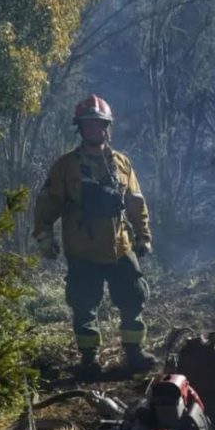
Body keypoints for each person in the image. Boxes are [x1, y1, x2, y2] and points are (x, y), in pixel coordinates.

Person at [33, 94, 156, 378]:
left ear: (107, 128)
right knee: (84, 303)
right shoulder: (66, 166)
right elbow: (48, 202)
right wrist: (44, 236)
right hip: (83, 250)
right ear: (80, 129)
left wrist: (143, 235)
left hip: (119, 246)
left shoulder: (122, 163)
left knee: (133, 297)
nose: (94, 130)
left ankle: (134, 353)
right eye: (88, 125)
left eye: (99, 125)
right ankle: (89, 360)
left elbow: (136, 201)